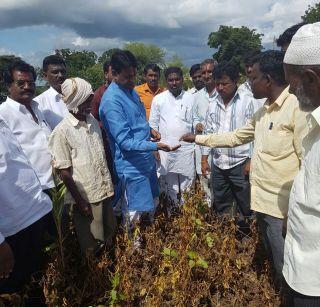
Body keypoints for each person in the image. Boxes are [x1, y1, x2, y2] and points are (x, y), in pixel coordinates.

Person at [180, 50, 308, 287]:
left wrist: (294, 209)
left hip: (284, 210)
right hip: (264, 204)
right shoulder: (264, 111)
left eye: (253, 78)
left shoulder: (296, 108)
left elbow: (307, 164)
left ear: (268, 79)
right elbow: (236, 136)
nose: (249, 83)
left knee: (288, 269)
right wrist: (199, 140)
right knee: (276, 261)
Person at [99, 50, 177, 226]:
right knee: (133, 213)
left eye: (134, 76)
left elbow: (137, 120)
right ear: (114, 73)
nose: (132, 81)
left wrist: (150, 130)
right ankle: (133, 251)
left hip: (145, 161)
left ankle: (147, 246)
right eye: (128, 77)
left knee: (150, 206)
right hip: (131, 167)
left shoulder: (131, 91)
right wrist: (155, 147)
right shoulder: (112, 102)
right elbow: (125, 141)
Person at [48, 77, 115, 254]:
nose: (90, 103)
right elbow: (64, 173)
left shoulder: (92, 121)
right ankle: (95, 278)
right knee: (93, 244)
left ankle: (111, 271)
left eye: (90, 98)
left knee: (109, 235)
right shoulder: (62, 131)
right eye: (86, 100)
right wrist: (80, 202)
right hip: (86, 198)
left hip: (104, 190)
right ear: (75, 101)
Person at [282, 22, 320, 305]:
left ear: (311, 78)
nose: (291, 92)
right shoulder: (312, 122)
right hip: (302, 271)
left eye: (292, 83)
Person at [0, 116, 52, 294]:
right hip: (11, 232)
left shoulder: (2, 120)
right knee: (15, 291)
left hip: (31, 216)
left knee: (34, 286)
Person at [199, 61, 254, 218]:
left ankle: (247, 238)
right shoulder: (213, 104)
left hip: (240, 163)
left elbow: (253, 135)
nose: (220, 88)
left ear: (235, 81)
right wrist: (204, 159)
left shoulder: (247, 101)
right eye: (217, 84)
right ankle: (227, 238)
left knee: (247, 205)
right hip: (218, 163)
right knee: (222, 205)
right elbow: (209, 132)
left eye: (224, 84)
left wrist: (251, 160)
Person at [0, 59, 54, 192]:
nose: (27, 87)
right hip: (34, 191)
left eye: (31, 83)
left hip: (57, 183)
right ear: (8, 85)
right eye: (20, 83)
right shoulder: (3, 116)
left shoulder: (38, 108)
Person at [149, 66, 195, 205]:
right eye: (170, 80)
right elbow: (153, 125)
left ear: (182, 80)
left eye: (177, 79)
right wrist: (154, 148)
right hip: (166, 151)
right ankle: (173, 217)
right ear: (166, 81)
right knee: (170, 188)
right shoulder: (158, 99)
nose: (174, 83)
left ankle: (187, 220)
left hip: (187, 150)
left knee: (188, 187)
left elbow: (196, 124)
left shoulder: (191, 98)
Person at [193, 59, 218, 203]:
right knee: (204, 183)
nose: (207, 75)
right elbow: (194, 117)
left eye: (210, 72)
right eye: (204, 72)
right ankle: (209, 217)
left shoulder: (222, 93)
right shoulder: (197, 96)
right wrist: (197, 124)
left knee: (219, 183)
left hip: (220, 146)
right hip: (202, 145)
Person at [91, 60, 114, 181]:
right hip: (106, 144)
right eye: (113, 72)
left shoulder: (126, 92)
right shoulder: (99, 94)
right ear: (106, 74)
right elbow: (93, 119)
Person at [34, 55, 68, 129]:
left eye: (63, 71)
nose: (60, 75)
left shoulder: (78, 96)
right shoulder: (38, 104)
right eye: (55, 72)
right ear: (45, 76)